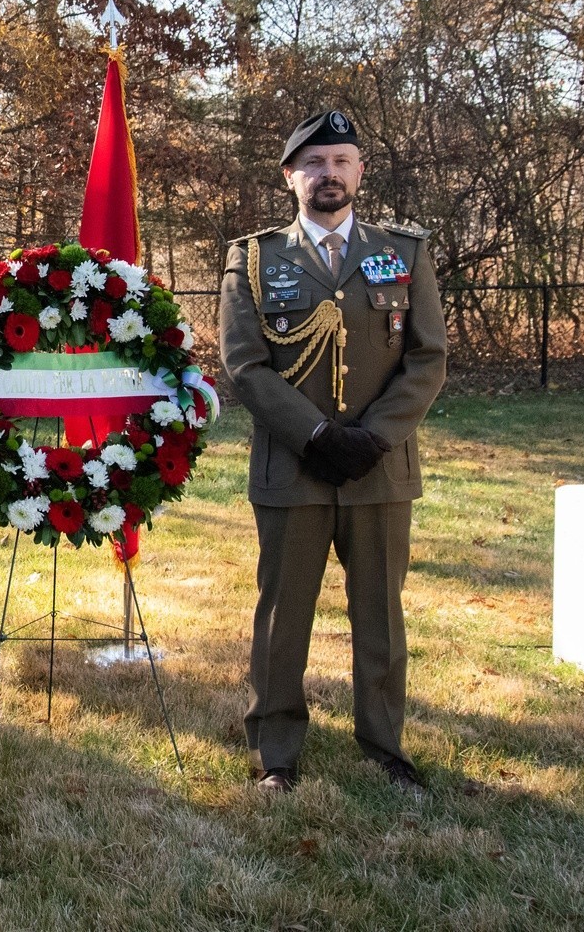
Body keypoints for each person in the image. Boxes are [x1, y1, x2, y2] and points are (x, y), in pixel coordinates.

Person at [218, 110, 447, 794]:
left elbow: (427, 357)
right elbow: (245, 363)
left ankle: (384, 745)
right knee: (284, 614)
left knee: (379, 610)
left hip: (381, 466)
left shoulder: (403, 253)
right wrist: (316, 435)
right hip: (295, 466)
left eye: (342, 161)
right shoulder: (254, 258)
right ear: (290, 176)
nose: (330, 174)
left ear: (360, 172)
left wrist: (376, 435)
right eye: (314, 164)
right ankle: (277, 752)